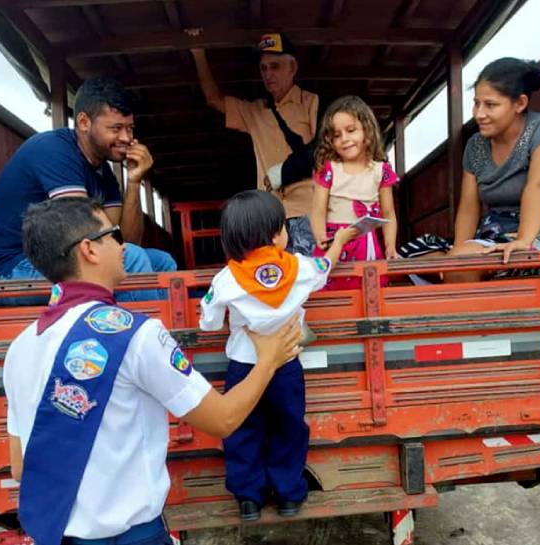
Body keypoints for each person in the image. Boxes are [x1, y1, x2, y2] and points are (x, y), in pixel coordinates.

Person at [4, 197, 301, 545]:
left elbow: (21, 466)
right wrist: (269, 360)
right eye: (113, 234)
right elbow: (223, 419)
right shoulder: (135, 335)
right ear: (89, 250)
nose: (124, 244)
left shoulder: (20, 347)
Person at [199, 190, 356, 521]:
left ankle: (248, 499)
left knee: (242, 428)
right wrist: (340, 240)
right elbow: (326, 265)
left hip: (244, 368)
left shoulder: (226, 279)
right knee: (289, 427)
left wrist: (223, 318)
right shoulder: (299, 268)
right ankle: (288, 495)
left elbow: (209, 322)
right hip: (285, 364)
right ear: (275, 235)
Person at [0, 76, 177, 303]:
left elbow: (123, 241)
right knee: (132, 259)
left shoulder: (104, 172)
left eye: (130, 128)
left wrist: (134, 181)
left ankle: (160, 328)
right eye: (116, 128)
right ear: (84, 122)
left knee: (161, 261)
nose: (127, 138)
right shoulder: (54, 150)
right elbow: (82, 233)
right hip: (12, 270)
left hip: (63, 259)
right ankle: (137, 334)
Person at [190, 32, 320, 255]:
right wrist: (198, 53)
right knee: (274, 283)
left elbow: (323, 151)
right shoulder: (254, 111)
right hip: (270, 220)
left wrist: (283, 172)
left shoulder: (312, 102)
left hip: (309, 211)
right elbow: (214, 99)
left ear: (293, 67)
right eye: (263, 68)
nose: (268, 74)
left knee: (312, 283)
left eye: (275, 66)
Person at [447, 57, 540, 279]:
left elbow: (539, 186)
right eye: (476, 103)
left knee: (461, 263)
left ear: (520, 104)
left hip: (537, 231)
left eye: (490, 105)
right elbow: (468, 206)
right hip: (491, 232)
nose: (479, 114)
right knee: (426, 258)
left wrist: (523, 240)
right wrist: (457, 250)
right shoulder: (475, 145)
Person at [310, 95, 399, 290]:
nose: (344, 139)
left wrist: (390, 246)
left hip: (366, 244)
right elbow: (318, 210)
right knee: (330, 295)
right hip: (334, 244)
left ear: (367, 131)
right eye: (336, 135)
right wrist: (320, 236)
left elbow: (388, 213)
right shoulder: (328, 169)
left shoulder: (381, 171)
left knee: (367, 292)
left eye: (351, 130)